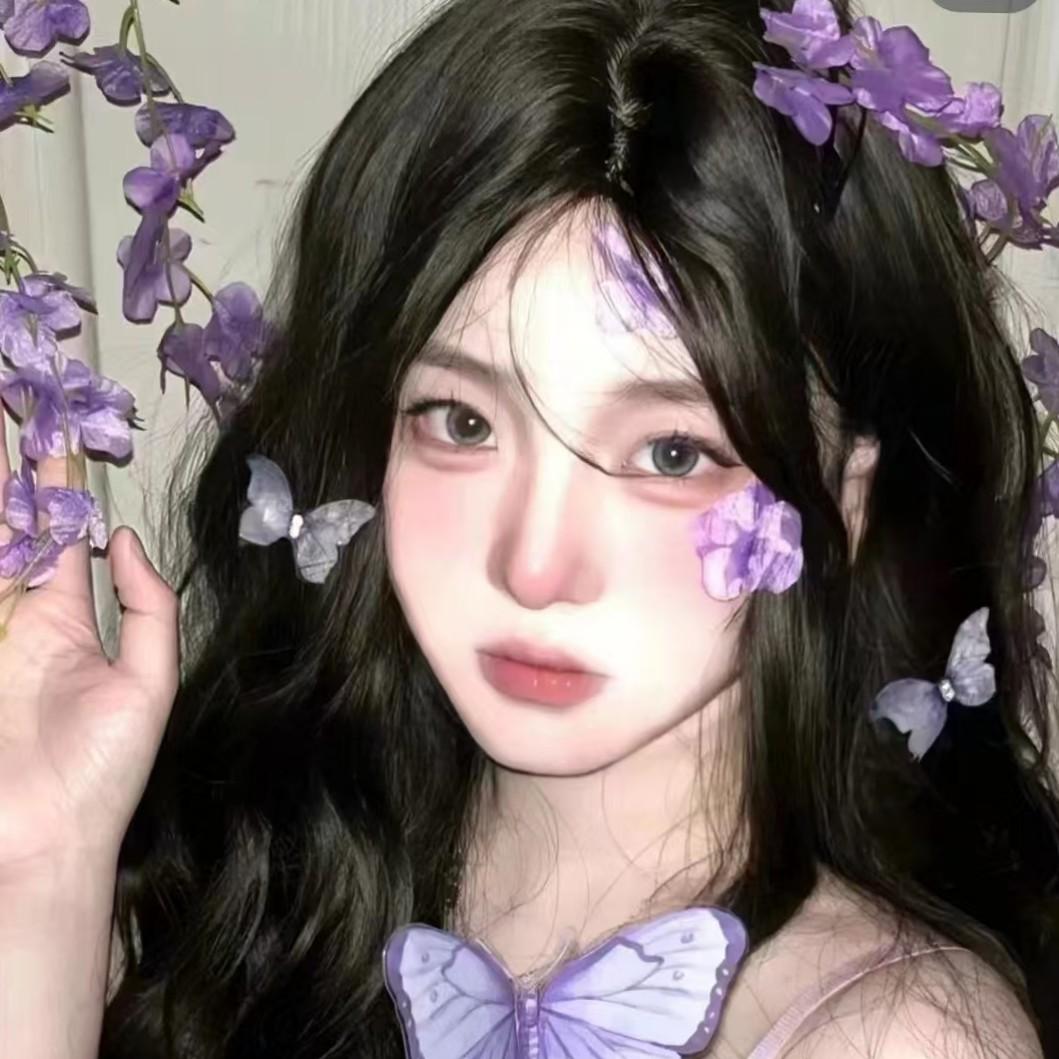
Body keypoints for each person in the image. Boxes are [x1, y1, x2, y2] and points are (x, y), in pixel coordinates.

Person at [1, 0, 1057, 1056]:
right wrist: (43, 868)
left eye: (672, 452)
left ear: (847, 499)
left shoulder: (894, 1036)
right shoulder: (266, 884)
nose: (534, 566)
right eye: (461, 422)